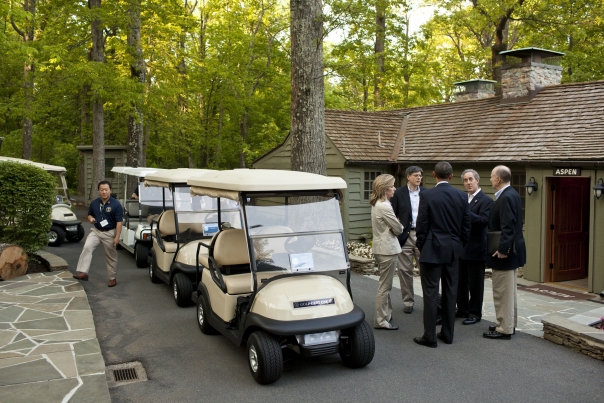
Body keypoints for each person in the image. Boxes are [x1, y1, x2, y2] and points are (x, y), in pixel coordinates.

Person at [413, 162, 470, 347]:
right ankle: (448, 333)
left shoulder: (427, 194)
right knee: (450, 291)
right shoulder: (461, 196)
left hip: (432, 248)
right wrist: (459, 245)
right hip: (453, 249)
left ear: (434, 175)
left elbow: (422, 224)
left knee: (430, 292)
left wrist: (422, 245)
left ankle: (430, 336)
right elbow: (466, 226)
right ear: (451, 176)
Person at [484, 165, 526, 339]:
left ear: (498, 179)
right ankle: (508, 324)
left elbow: (508, 226)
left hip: (505, 254)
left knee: (502, 292)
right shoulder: (511, 194)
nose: (491, 179)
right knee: (508, 292)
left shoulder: (507, 197)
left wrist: (502, 250)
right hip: (512, 252)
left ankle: (505, 328)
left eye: (492, 176)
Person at [457, 169, 494, 325]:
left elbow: (483, 222)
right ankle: (462, 309)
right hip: (461, 248)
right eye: (465, 180)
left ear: (477, 180)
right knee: (460, 282)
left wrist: (466, 211)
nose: (468, 182)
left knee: (476, 283)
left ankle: (474, 313)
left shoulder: (486, 201)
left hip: (476, 248)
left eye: (471, 179)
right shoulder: (461, 198)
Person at [73, 180, 124, 287]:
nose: (104, 192)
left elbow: (119, 222)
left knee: (111, 256)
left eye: (106, 189)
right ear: (98, 191)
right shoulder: (95, 203)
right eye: (101, 190)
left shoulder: (116, 205)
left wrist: (117, 237)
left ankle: (112, 278)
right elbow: (89, 214)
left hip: (109, 232)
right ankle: (83, 272)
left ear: (110, 190)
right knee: (87, 247)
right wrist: (91, 219)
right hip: (96, 231)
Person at [370, 174, 404, 330]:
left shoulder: (377, 203)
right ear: (385, 189)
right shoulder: (384, 205)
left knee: (385, 284)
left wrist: (395, 224)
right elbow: (398, 229)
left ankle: (386, 314)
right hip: (387, 250)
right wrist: (398, 224)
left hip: (381, 248)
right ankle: (381, 320)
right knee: (385, 286)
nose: (395, 188)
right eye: (392, 186)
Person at [391, 166, 425, 314]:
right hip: (405, 235)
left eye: (420, 176)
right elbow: (392, 214)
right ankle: (408, 302)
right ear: (408, 177)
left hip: (422, 235)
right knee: (405, 270)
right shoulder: (398, 193)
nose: (419, 178)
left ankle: (429, 302)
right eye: (416, 175)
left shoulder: (426, 193)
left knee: (426, 269)